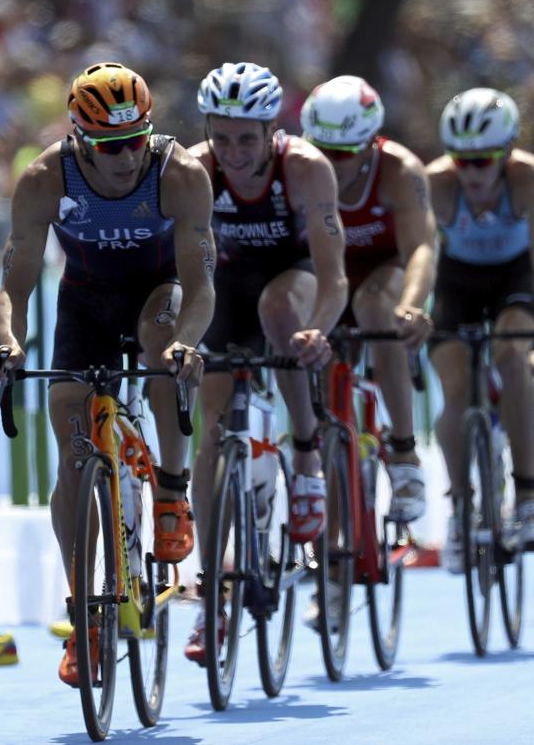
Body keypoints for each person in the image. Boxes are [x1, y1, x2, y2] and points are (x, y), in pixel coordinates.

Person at [0, 62, 216, 687]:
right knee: (71, 455)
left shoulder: (180, 175)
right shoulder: (42, 179)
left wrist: (189, 345)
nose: (126, 156)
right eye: (111, 146)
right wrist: (7, 345)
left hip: (158, 295)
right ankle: (83, 612)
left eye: (137, 139)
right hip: (83, 303)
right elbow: (16, 285)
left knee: (160, 344)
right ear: (81, 141)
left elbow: (200, 284)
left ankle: (170, 488)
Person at [184, 61, 348, 664]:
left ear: (271, 131)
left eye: (245, 140)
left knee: (280, 309)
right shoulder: (195, 169)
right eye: (220, 137)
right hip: (225, 290)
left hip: (293, 280)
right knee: (212, 432)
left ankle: (304, 449)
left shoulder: (304, 168)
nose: (232, 152)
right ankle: (210, 600)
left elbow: (334, 275)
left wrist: (319, 332)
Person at [426, 88, 534, 570]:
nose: (471, 173)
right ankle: (460, 508)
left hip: (515, 276)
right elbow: (421, 258)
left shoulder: (529, 178)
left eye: (484, 161)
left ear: (507, 152)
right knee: (454, 387)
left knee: (513, 357)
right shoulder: (437, 185)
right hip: (458, 281)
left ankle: (529, 494)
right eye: (461, 160)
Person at [298, 74, 439, 524]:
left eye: (344, 153)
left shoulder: (401, 170)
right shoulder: (297, 166)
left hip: (382, 269)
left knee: (377, 308)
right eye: (323, 150)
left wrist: (413, 305)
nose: (332, 163)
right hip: (326, 271)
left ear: (370, 142)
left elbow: (420, 247)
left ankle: (403, 454)